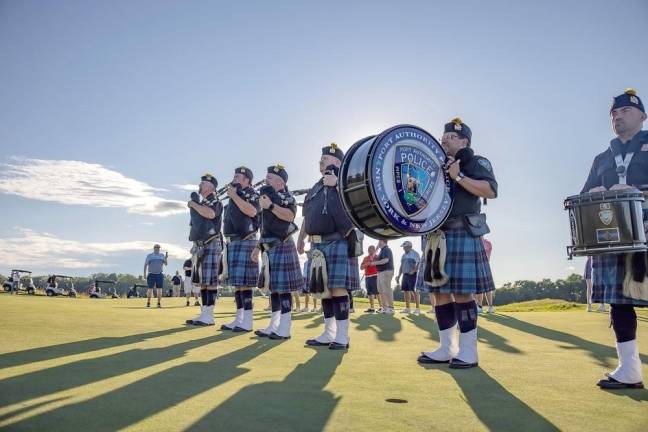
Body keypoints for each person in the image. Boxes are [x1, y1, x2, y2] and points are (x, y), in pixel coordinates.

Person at [417, 117, 497, 369]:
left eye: (451, 137)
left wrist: (459, 176)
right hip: (435, 235)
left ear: (464, 141)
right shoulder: (433, 165)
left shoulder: (476, 162)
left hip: (461, 230)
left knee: (463, 294)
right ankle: (445, 348)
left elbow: (490, 190)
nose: (444, 140)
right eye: (444, 136)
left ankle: (468, 352)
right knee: (439, 293)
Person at [581, 89, 647, 389]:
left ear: (642, 116)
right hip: (614, 238)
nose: (617, 116)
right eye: (613, 113)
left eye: (624, 111)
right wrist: (593, 194)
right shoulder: (602, 158)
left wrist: (635, 190)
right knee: (619, 304)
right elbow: (584, 195)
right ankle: (629, 370)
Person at [298, 143, 361, 349]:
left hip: (338, 239)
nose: (321, 160)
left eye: (325, 158)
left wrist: (336, 185)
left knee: (338, 288)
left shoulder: (346, 180)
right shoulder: (316, 186)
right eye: (321, 158)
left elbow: (354, 207)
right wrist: (301, 238)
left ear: (337, 162)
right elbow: (307, 215)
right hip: (317, 244)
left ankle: (342, 336)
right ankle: (328, 332)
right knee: (324, 289)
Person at [252, 164, 305, 340]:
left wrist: (271, 206)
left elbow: (290, 216)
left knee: (283, 290)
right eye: (267, 176)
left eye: (270, 177)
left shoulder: (287, 197)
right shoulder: (265, 199)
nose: (266, 179)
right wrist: (257, 247)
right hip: (268, 248)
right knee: (274, 289)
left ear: (280, 182)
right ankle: (273, 325)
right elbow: (264, 227)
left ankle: (285, 328)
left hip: (282, 245)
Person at [220, 167, 261, 333]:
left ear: (247, 181)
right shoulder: (233, 197)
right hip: (233, 243)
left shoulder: (252, 195)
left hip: (246, 242)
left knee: (246, 285)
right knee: (238, 285)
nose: (234, 179)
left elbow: (251, 211)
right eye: (234, 176)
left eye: (238, 176)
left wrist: (234, 196)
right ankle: (239, 318)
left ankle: (248, 321)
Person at [185, 173, 224, 326]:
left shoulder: (215, 201)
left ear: (211, 186)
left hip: (211, 243)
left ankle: (209, 315)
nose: (200, 186)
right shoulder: (203, 202)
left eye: (203, 183)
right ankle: (204, 313)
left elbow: (210, 214)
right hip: (201, 245)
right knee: (202, 282)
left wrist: (193, 204)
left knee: (210, 281)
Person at [396, 240, 421, 315]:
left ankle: (417, 309)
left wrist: (413, 271)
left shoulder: (415, 254)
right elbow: (401, 266)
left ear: (410, 246)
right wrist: (399, 275)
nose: (403, 248)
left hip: (413, 275)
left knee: (415, 291)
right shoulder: (403, 255)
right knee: (406, 291)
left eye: (405, 247)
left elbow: (419, 263)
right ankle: (407, 308)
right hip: (405, 275)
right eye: (403, 247)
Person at [374, 239, 395, 314]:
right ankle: (384, 307)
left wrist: (374, 263)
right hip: (380, 272)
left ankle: (391, 308)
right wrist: (376, 249)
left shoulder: (386, 249)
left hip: (386, 271)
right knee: (380, 290)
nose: (378, 243)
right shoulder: (381, 250)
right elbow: (374, 257)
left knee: (386, 289)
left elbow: (386, 260)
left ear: (384, 241)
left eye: (379, 241)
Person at [475, 237, 495, 313]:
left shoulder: (485, 243)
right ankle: (488, 307)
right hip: (486, 267)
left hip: (482, 266)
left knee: (483, 288)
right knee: (486, 288)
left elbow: (488, 258)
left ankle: (481, 306)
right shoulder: (488, 243)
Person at [360, 245, 380, 313]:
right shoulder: (365, 258)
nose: (370, 250)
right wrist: (366, 264)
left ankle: (381, 307)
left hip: (375, 276)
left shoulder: (377, 257)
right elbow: (361, 267)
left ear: (374, 250)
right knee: (369, 293)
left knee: (377, 292)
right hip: (367, 276)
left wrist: (372, 262)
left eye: (371, 249)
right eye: (369, 249)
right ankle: (372, 308)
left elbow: (380, 265)